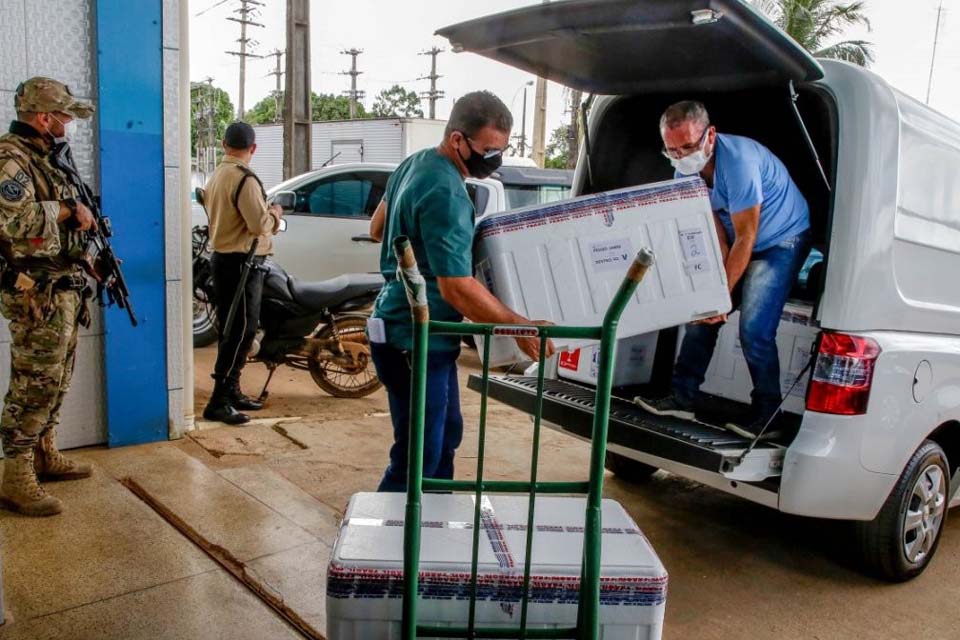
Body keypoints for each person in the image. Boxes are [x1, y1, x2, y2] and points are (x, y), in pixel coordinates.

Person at [368, 90, 555, 492]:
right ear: (457, 140)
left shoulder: (416, 163)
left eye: (502, 150)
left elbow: (377, 228)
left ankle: (433, 534)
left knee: (445, 436)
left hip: (404, 330)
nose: (495, 160)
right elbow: (456, 288)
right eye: (488, 150)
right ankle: (394, 548)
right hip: (414, 339)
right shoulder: (447, 192)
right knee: (419, 458)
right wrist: (519, 327)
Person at [635, 101, 811, 437]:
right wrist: (712, 296)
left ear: (710, 135)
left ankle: (767, 416)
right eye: (672, 150)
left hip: (780, 239)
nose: (682, 155)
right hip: (739, 237)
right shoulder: (682, 172)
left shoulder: (740, 163)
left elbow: (748, 236)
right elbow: (715, 233)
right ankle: (682, 398)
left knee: (755, 329)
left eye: (689, 146)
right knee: (700, 318)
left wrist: (723, 296)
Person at [0, 77, 99, 516]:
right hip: (33, 292)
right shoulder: (10, 157)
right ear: (44, 117)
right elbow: (10, 222)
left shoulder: (47, 157)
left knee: (57, 379)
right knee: (32, 386)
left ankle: (45, 453)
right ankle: (15, 476)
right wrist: (65, 211)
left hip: (61, 287)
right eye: (64, 116)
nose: (68, 124)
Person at [202, 122, 283, 425]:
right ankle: (219, 400)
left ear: (224, 144)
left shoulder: (218, 175)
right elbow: (258, 224)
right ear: (253, 148)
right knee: (239, 333)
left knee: (235, 330)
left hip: (224, 261)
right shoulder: (244, 179)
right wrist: (275, 213)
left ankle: (232, 391)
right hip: (241, 264)